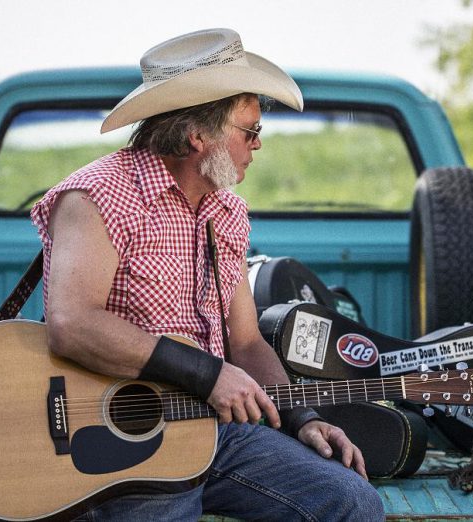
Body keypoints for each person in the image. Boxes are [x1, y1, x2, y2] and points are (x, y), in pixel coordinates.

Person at [31, 28, 385, 521]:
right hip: (120, 440)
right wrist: (207, 373)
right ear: (199, 135)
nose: (257, 146)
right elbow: (72, 324)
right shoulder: (97, 196)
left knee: (354, 503)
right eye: (250, 131)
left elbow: (246, 344)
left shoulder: (228, 213)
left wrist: (301, 417)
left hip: (217, 431)